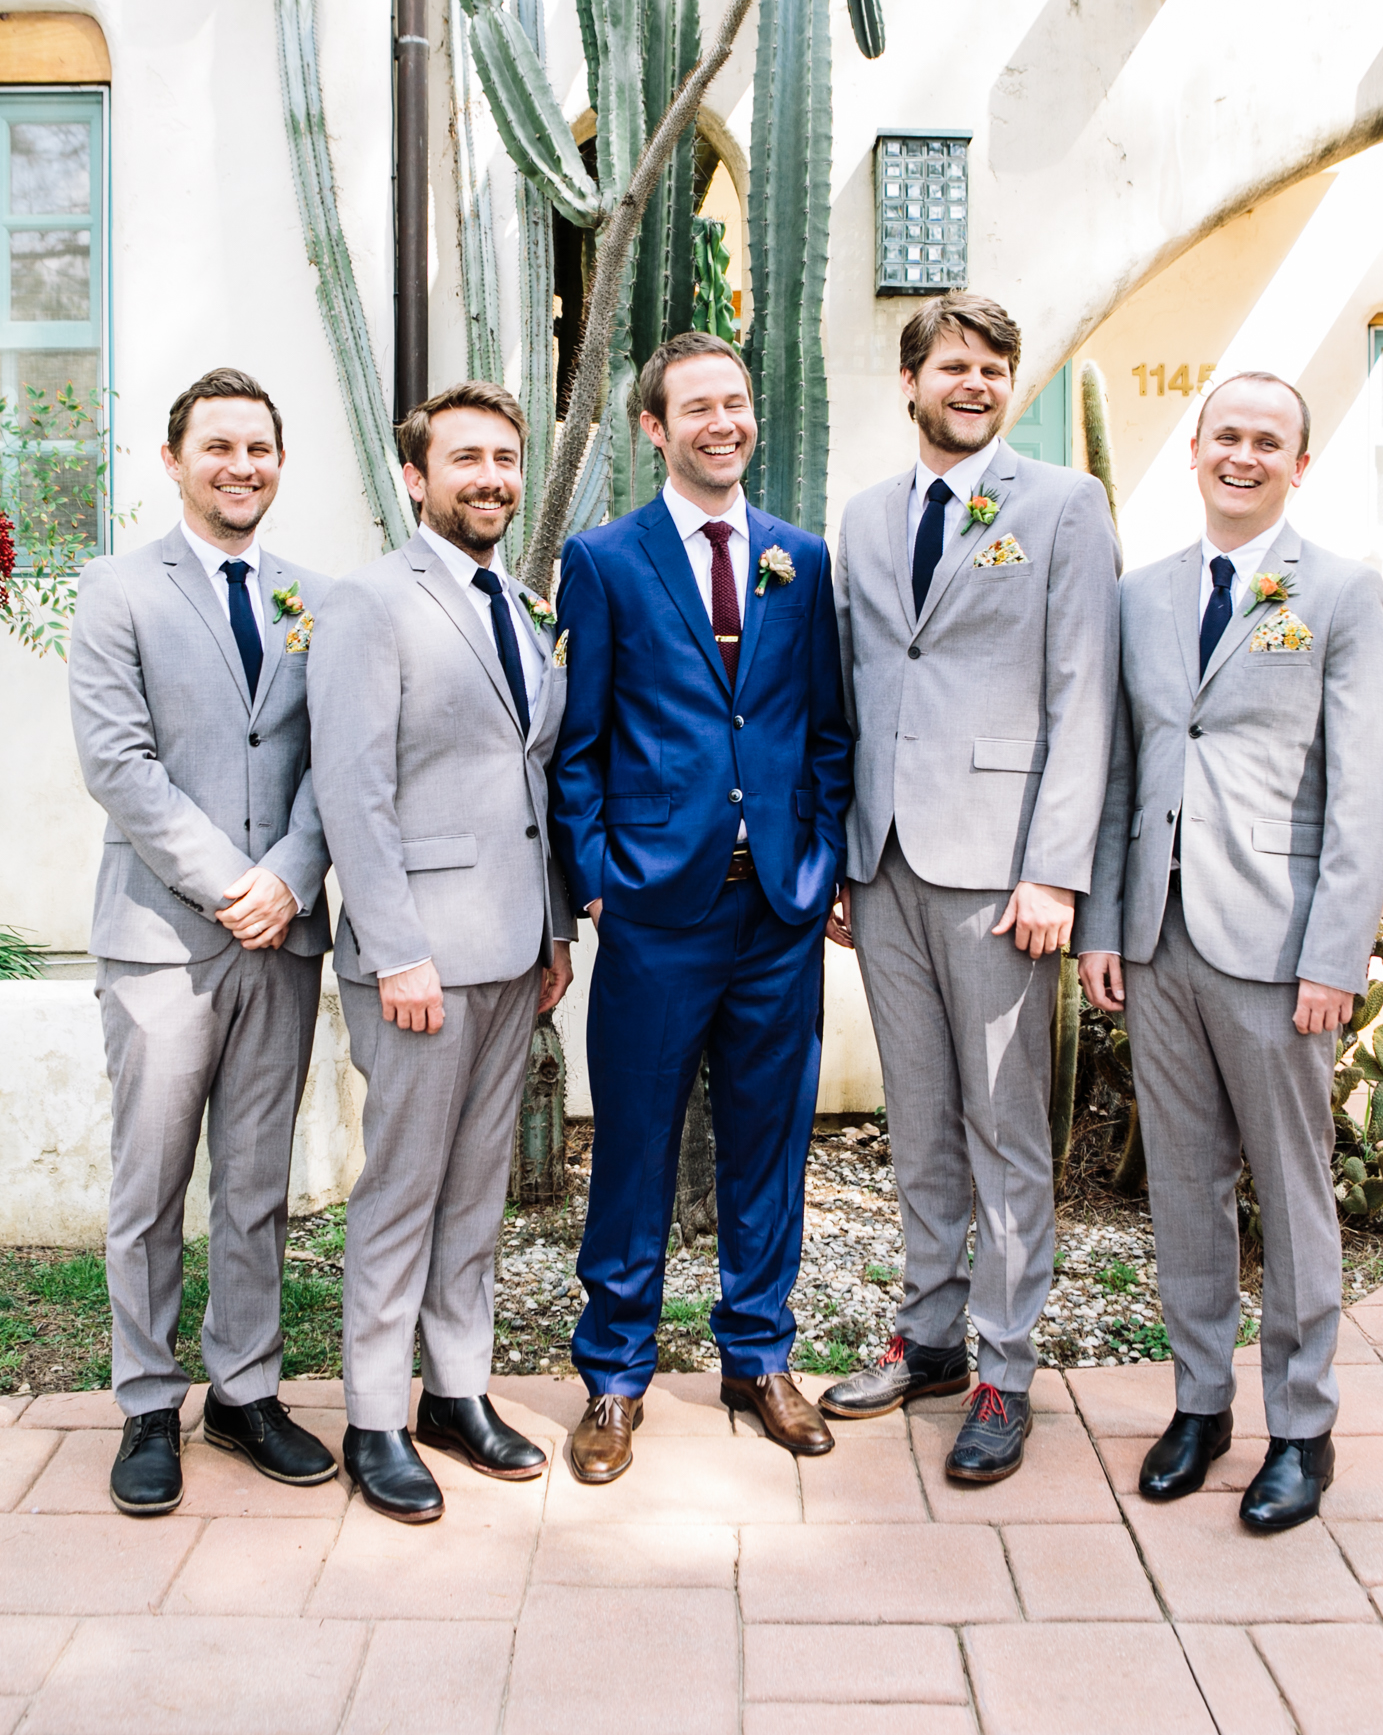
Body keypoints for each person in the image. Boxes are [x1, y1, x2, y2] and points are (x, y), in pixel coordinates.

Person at [1076, 370, 1383, 1532]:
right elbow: (1120, 773)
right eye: (1229, 435)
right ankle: (1201, 1404)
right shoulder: (1142, 597)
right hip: (1158, 939)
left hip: (1277, 948)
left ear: (1297, 465)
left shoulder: (1343, 593)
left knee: (1292, 1188)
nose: (1245, 455)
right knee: (1183, 1184)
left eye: (1270, 441)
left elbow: (1366, 795)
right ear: (1197, 451)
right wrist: (1106, 924)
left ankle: (1303, 1429)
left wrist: (1336, 953)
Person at [822, 294, 1120, 1485]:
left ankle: (1006, 1365)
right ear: (912, 382)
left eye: (996, 366)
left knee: (1005, 1128)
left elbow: (1084, 692)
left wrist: (1055, 869)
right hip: (885, 861)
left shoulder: (1062, 506)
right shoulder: (865, 514)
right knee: (922, 1118)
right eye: (955, 363)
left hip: (1003, 872)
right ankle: (932, 1334)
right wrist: (846, 854)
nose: (978, 381)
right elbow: (856, 683)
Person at [549, 331, 852, 1482]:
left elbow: (824, 728)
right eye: (698, 407)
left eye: (737, 401)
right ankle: (615, 1376)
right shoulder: (608, 559)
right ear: (654, 429)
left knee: (770, 1145)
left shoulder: (798, 559)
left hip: (775, 911)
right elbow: (580, 744)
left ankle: (758, 1354)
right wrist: (599, 879)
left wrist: (816, 861)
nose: (723, 422)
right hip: (656, 913)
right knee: (633, 1142)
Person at [68, 366, 338, 1518]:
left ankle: (244, 1389)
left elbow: (343, 758)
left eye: (260, 448)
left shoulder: (315, 598)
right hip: (163, 939)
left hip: (281, 940)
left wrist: (288, 879)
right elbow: (118, 765)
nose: (242, 467)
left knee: (255, 1183)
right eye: (219, 447)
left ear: (281, 463)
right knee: (150, 1182)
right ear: (174, 460)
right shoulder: (114, 591)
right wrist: (239, 882)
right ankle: (144, 1400)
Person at [307, 382, 574, 1523]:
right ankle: (374, 1412)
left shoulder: (516, 599)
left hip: (514, 949)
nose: (492, 477)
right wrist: (396, 948)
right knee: (402, 1189)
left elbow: (530, 783)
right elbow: (352, 791)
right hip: (419, 956)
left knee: (475, 1189)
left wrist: (556, 928)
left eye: (506, 458)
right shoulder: (371, 600)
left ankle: (456, 1389)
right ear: (416, 476)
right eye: (466, 458)